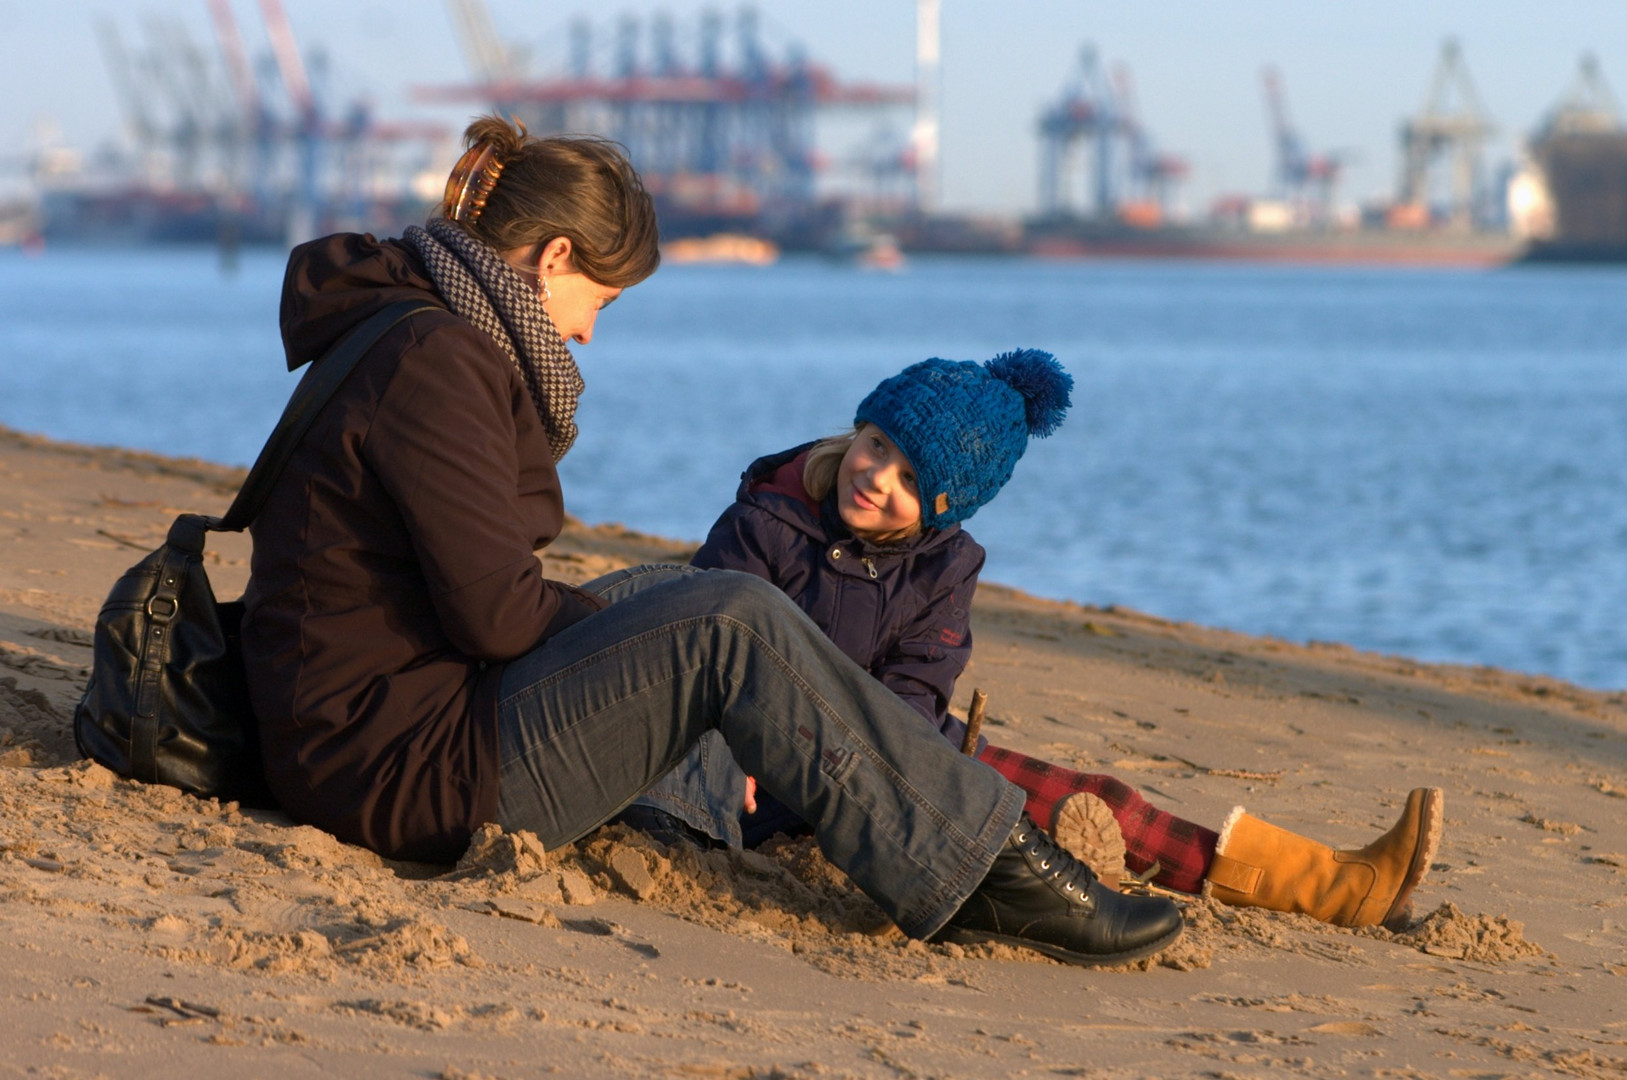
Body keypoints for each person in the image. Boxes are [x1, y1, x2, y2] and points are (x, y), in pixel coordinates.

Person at [238, 113, 1184, 969]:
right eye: (599, 302)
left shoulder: (420, 320)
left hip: (372, 721)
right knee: (726, 617)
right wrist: (648, 631)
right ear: (553, 256)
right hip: (394, 771)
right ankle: (986, 872)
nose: (588, 336)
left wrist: (639, 619)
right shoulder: (438, 361)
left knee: (672, 592)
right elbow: (494, 614)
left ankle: (707, 810)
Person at [625, 350, 1443, 931]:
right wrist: (746, 759)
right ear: (859, 427)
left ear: (945, 506)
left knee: (1094, 804)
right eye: (876, 445)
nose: (875, 476)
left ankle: (1328, 886)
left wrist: (870, 767)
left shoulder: (947, 568)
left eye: (910, 478)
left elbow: (912, 698)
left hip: (879, 751)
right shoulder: (765, 521)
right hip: (745, 765)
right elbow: (706, 648)